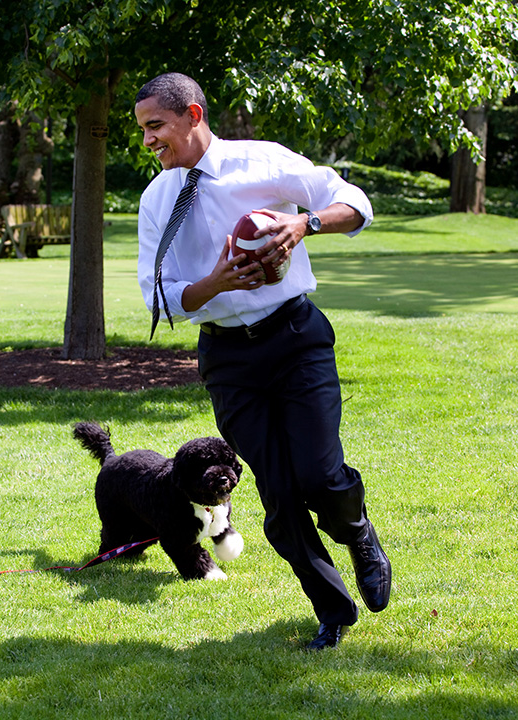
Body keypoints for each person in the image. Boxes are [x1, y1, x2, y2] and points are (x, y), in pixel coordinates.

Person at [133, 72, 391, 650]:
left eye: (156, 126)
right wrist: (215, 282)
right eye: (143, 130)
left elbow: (356, 202)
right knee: (277, 496)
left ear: (193, 117)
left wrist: (306, 222)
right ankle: (333, 611)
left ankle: (359, 534)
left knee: (321, 477)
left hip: (296, 338)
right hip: (228, 360)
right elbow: (158, 296)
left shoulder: (263, 162)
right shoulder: (157, 199)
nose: (148, 141)